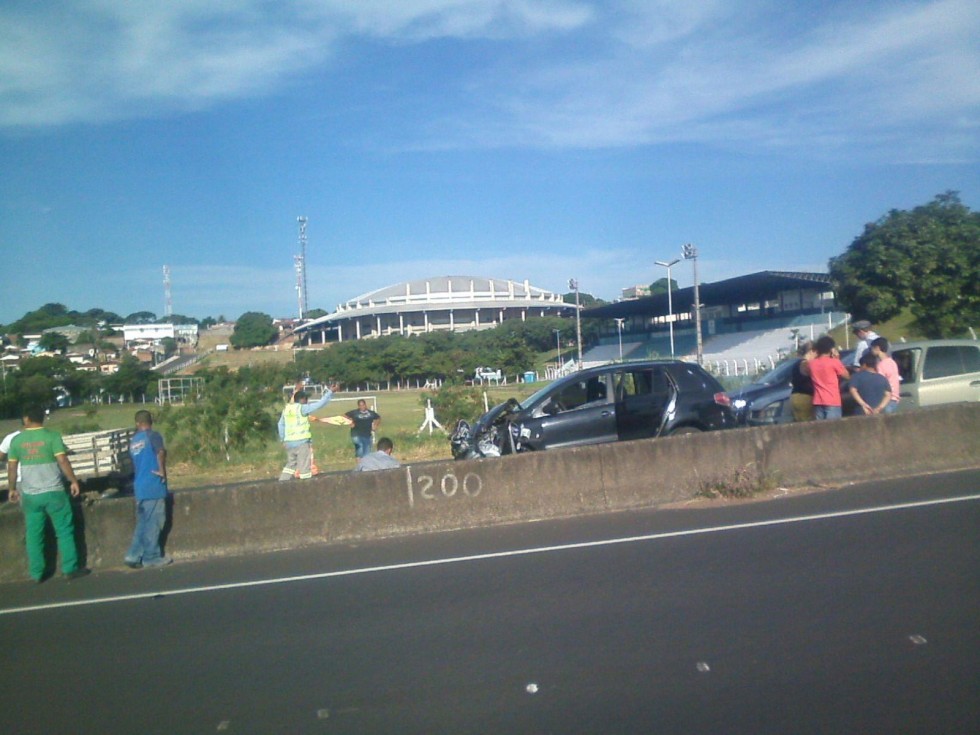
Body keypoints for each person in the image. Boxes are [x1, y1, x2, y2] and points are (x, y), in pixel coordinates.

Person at [5, 406, 90, 582]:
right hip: (55, 492)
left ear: (27, 419)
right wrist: (73, 481)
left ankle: (37, 573)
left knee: (34, 534)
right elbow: (62, 460)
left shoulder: (17, 441)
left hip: (30, 494)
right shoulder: (52, 436)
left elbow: (12, 466)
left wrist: (12, 488)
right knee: (65, 531)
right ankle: (70, 568)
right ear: (42, 418)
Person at [124, 410, 172, 568]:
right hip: (153, 484)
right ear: (150, 421)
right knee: (155, 522)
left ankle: (133, 555)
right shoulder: (153, 436)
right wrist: (162, 469)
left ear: (137, 423)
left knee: (143, 523)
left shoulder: (134, 442)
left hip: (140, 486)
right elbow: (161, 451)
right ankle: (151, 556)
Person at [278, 383, 339, 481]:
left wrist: (283, 439)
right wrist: (330, 392)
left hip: (289, 443)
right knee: (304, 467)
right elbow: (320, 404)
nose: (307, 402)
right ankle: (306, 489)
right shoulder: (303, 408)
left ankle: (282, 483)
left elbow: (280, 425)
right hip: (301, 442)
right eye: (306, 400)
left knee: (290, 465)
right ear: (302, 400)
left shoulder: (287, 409)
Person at [801, 335, 849, 421]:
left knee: (820, 429)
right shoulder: (834, 362)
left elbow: (805, 371)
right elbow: (847, 376)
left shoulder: (812, 364)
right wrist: (837, 358)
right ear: (831, 349)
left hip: (818, 401)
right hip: (832, 400)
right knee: (833, 428)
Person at [870, 337, 901, 414]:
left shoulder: (880, 365)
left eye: (872, 349)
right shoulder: (892, 362)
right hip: (895, 398)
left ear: (877, 348)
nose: (871, 351)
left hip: (886, 400)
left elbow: (880, 384)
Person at [789, 342, 815, 422]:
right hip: (805, 397)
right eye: (816, 352)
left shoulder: (796, 364)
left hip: (794, 396)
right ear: (811, 352)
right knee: (808, 423)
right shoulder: (806, 364)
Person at [0, 427, 22, 502]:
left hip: (22, 480)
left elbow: (1, 456)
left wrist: (11, 489)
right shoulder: (49, 435)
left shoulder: (11, 438)